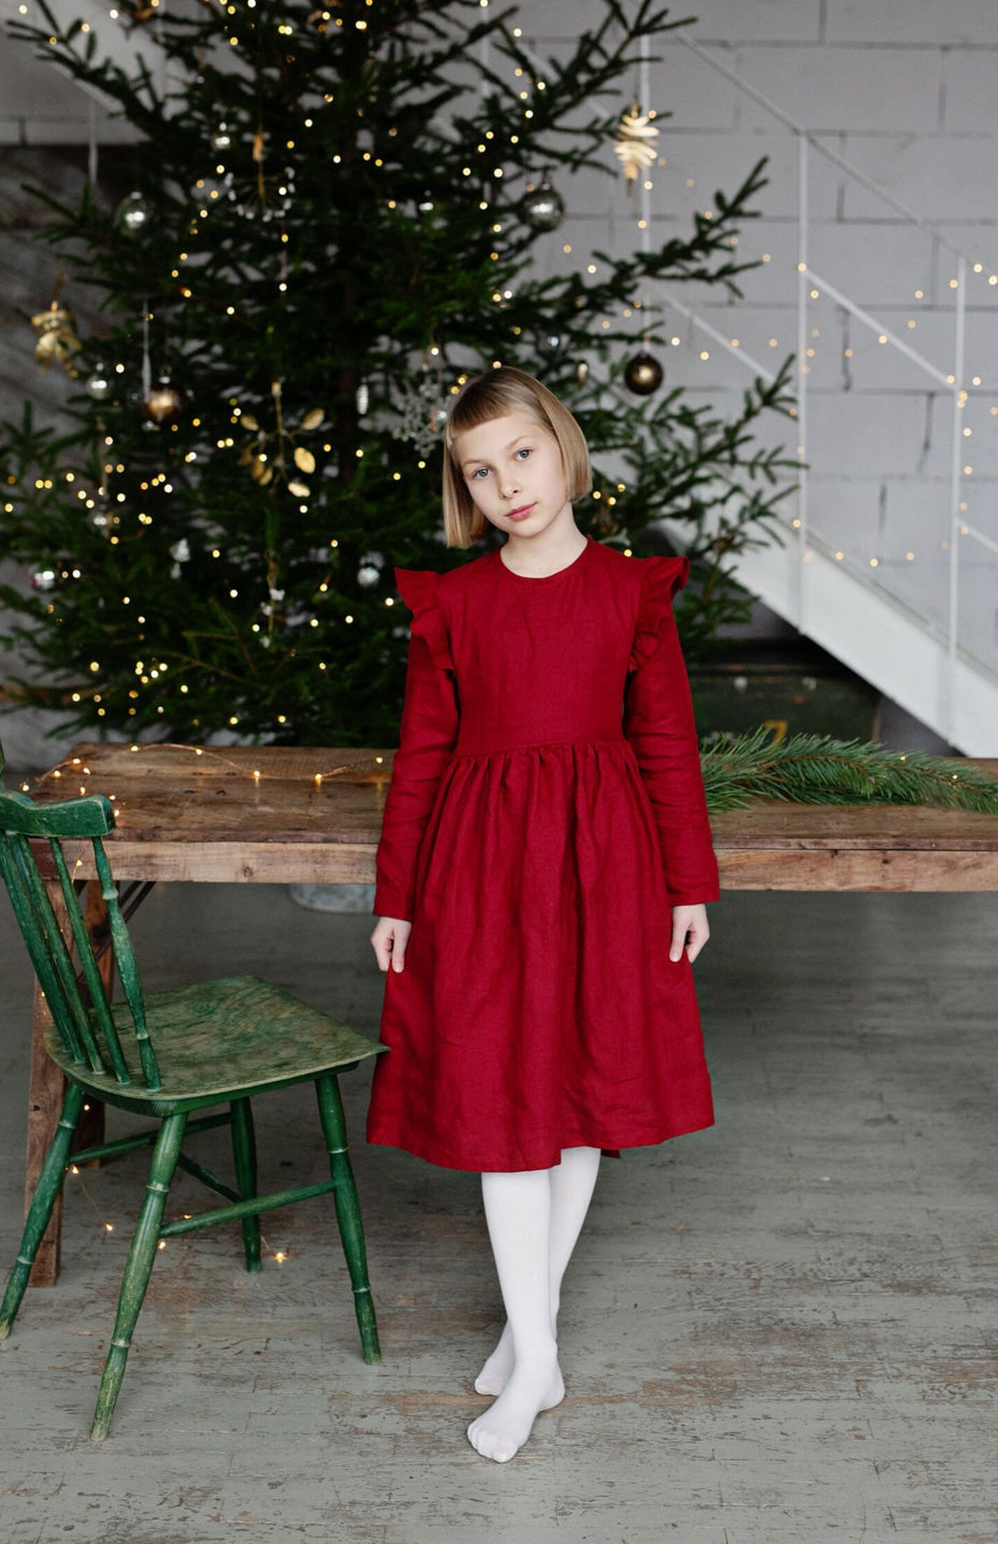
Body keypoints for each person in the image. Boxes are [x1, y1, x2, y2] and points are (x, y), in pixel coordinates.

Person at [368, 365, 719, 1463]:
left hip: (601, 868)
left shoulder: (629, 593)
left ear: (560, 448)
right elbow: (421, 757)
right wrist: (396, 896)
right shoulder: (455, 606)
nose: (506, 484)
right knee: (499, 1096)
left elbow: (664, 743)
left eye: (520, 454)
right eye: (480, 471)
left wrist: (687, 880)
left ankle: (532, 1346)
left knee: (570, 1099)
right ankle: (536, 1353)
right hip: (479, 873)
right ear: (463, 491)